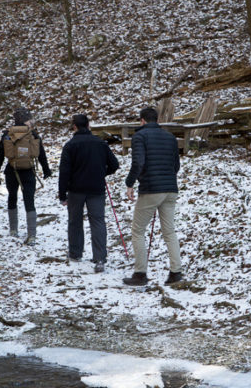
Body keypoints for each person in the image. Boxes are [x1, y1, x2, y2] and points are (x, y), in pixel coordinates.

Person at [123, 107, 184, 286]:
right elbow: (176, 166)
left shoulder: (139, 136)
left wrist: (130, 183)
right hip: (170, 188)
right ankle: (176, 272)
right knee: (169, 231)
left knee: (138, 231)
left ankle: (140, 274)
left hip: (151, 189)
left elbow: (138, 162)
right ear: (157, 120)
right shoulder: (170, 137)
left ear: (142, 120)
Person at [58, 114, 120, 272]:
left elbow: (64, 172)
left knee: (75, 221)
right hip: (96, 189)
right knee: (98, 222)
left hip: (75, 189)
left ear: (74, 127)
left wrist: (62, 194)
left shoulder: (70, 145)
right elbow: (114, 164)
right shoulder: (100, 143)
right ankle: (100, 258)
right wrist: (102, 173)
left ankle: (75, 253)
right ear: (88, 125)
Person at [0, 107, 52, 245]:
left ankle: (13, 230)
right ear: (26, 120)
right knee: (29, 201)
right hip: (28, 172)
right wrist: (46, 170)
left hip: (11, 171)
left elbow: (0, 157)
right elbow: (41, 154)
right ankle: (32, 235)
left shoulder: (7, 135)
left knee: (12, 197)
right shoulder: (33, 135)